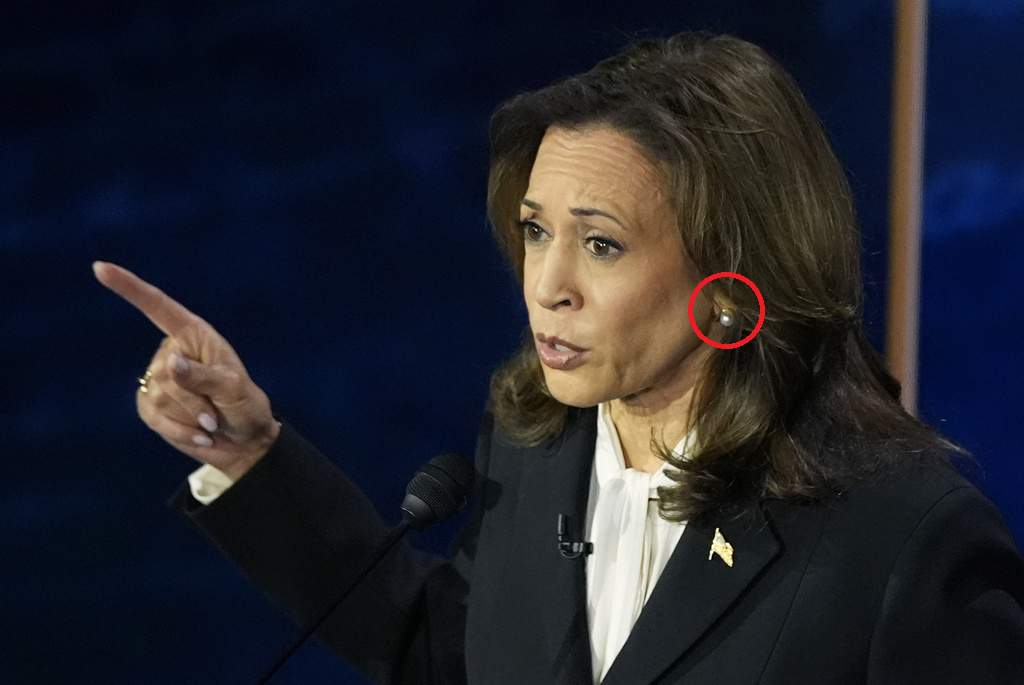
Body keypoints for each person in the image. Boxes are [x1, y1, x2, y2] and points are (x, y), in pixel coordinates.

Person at [95, 32, 1024, 684]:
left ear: (731, 285)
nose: (547, 284)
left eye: (602, 244)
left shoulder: (903, 540)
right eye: (537, 231)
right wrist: (248, 455)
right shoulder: (537, 449)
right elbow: (452, 659)